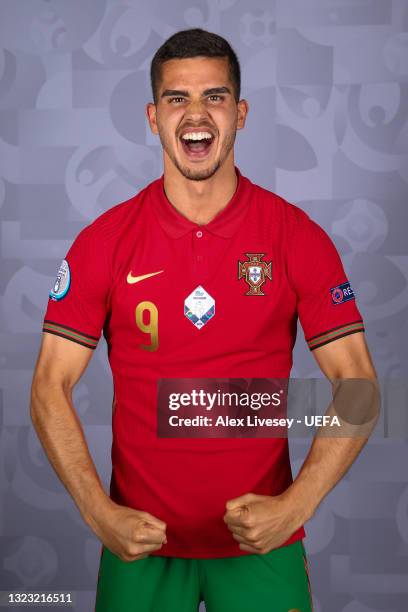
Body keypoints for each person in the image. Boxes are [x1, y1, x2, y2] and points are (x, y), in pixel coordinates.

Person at [30, 28, 378, 612]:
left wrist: (296, 506)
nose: (196, 115)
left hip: (261, 546)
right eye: (176, 99)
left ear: (240, 113)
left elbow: (360, 386)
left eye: (214, 97)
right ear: (152, 116)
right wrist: (99, 513)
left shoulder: (297, 238)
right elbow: (48, 385)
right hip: (139, 551)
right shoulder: (105, 243)